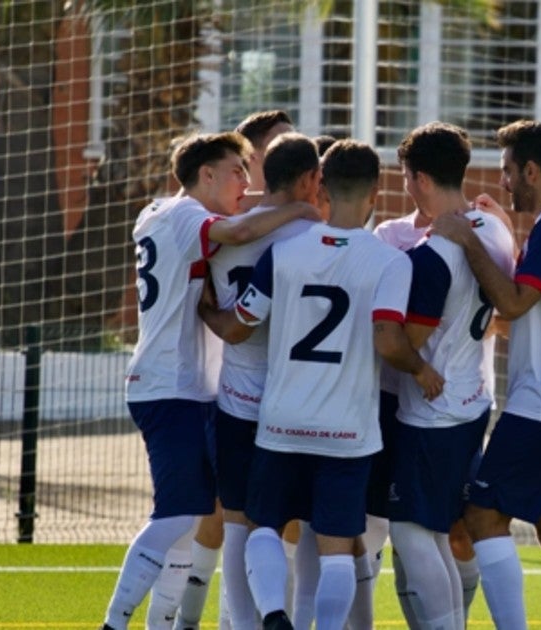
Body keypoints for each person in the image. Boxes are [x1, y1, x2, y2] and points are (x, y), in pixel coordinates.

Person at [203, 139, 444, 630]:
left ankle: (273, 613)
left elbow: (240, 326)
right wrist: (422, 370)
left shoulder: (284, 253)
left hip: (281, 421)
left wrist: (205, 306)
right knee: (337, 546)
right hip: (348, 429)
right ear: (376, 191)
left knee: (263, 526)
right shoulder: (390, 263)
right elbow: (387, 338)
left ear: (324, 187)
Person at [100, 131, 322, 630]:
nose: (247, 183)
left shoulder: (159, 211)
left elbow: (242, 222)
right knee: (179, 515)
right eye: (238, 172)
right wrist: (300, 210)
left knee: (195, 518)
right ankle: (114, 623)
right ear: (206, 175)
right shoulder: (185, 217)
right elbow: (240, 234)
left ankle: (164, 624)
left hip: (191, 387)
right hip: (167, 385)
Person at [431, 120, 541, 629]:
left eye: (508, 171)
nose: (503, 182)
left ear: (532, 169)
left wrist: (467, 239)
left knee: (482, 517)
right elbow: (521, 314)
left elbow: (509, 300)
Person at [165, 109, 298, 630]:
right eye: (274, 146)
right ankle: (192, 619)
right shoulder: (219, 224)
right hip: (231, 389)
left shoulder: (305, 221)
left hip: (290, 396)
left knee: (277, 525)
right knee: (220, 517)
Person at [386, 122, 517, 630]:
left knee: (413, 531)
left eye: (403, 175)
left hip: (432, 414)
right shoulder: (496, 228)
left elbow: (407, 343)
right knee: (441, 531)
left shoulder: (433, 253)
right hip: (473, 401)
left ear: (418, 179)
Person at [198, 132, 325, 630]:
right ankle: (296, 618)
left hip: (236, 397)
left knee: (235, 524)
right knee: (288, 527)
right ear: (311, 179)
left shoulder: (225, 230)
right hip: (294, 400)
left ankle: (236, 622)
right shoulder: (309, 238)